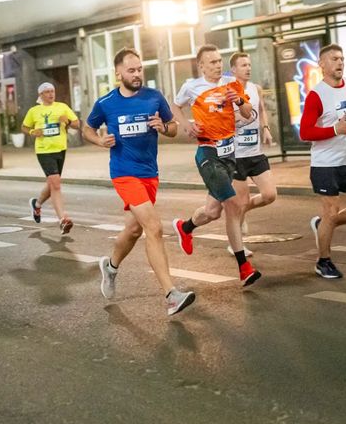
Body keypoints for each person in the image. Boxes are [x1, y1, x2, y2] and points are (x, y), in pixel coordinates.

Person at [83, 48, 196, 317]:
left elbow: (172, 128)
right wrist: (100, 140)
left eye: (139, 69)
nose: (136, 74)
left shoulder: (153, 97)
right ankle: (171, 294)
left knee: (134, 230)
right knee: (153, 228)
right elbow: (87, 128)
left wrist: (162, 127)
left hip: (149, 173)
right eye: (131, 70)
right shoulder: (106, 103)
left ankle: (110, 266)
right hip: (123, 172)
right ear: (118, 73)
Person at [171, 45, 260, 287]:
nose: (217, 65)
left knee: (213, 211)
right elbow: (174, 105)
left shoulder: (233, 84)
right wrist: (186, 126)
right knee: (233, 204)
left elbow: (249, 112)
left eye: (219, 61)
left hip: (229, 152)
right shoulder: (192, 86)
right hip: (207, 152)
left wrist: (240, 100)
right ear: (201, 66)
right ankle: (244, 267)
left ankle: (185, 227)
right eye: (212, 62)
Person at [300, 43, 346, 279]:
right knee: (331, 212)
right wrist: (334, 129)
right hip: (326, 164)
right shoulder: (316, 95)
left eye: (341, 58)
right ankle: (323, 261)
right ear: (322, 65)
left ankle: (323, 224)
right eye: (334, 59)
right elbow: (305, 132)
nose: (339, 63)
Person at [229, 52, 278, 246]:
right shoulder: (228, 91)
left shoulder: (255, 88)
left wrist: (265, 129)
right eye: (243, 65)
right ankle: (236, 245)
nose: (248, 68)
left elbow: (262, 111)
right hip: (235, 155)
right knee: (240, 201)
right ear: (233, 69)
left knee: (269, 195)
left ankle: (243, 211)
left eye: (249, 64)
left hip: (255, 153)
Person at [22, 82, 80, 234]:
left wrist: (67, 121)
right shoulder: (34, 111)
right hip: (43, 151)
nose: (50, 94)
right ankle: (63, 219)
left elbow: (76, 124)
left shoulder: (62, 107)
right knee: (56, 184)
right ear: (40, 95)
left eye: (52, 91)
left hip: (60, 149)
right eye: (47, 92)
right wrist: (32, 132)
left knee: (53, 182)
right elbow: (24, 127)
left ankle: (37, 204)